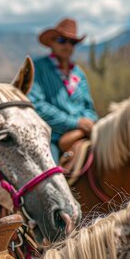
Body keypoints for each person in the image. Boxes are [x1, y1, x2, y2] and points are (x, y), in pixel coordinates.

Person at [28, 18, 98, 162]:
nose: (67, 45)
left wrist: (88, 122)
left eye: (72, 42)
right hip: (50, 136)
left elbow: (89, 107)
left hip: (83, 132)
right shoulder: (38, 68)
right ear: (52, 43)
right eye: (62, 41)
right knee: (48, 173)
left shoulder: (79, 73)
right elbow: (36, 105)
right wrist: (75, 123)